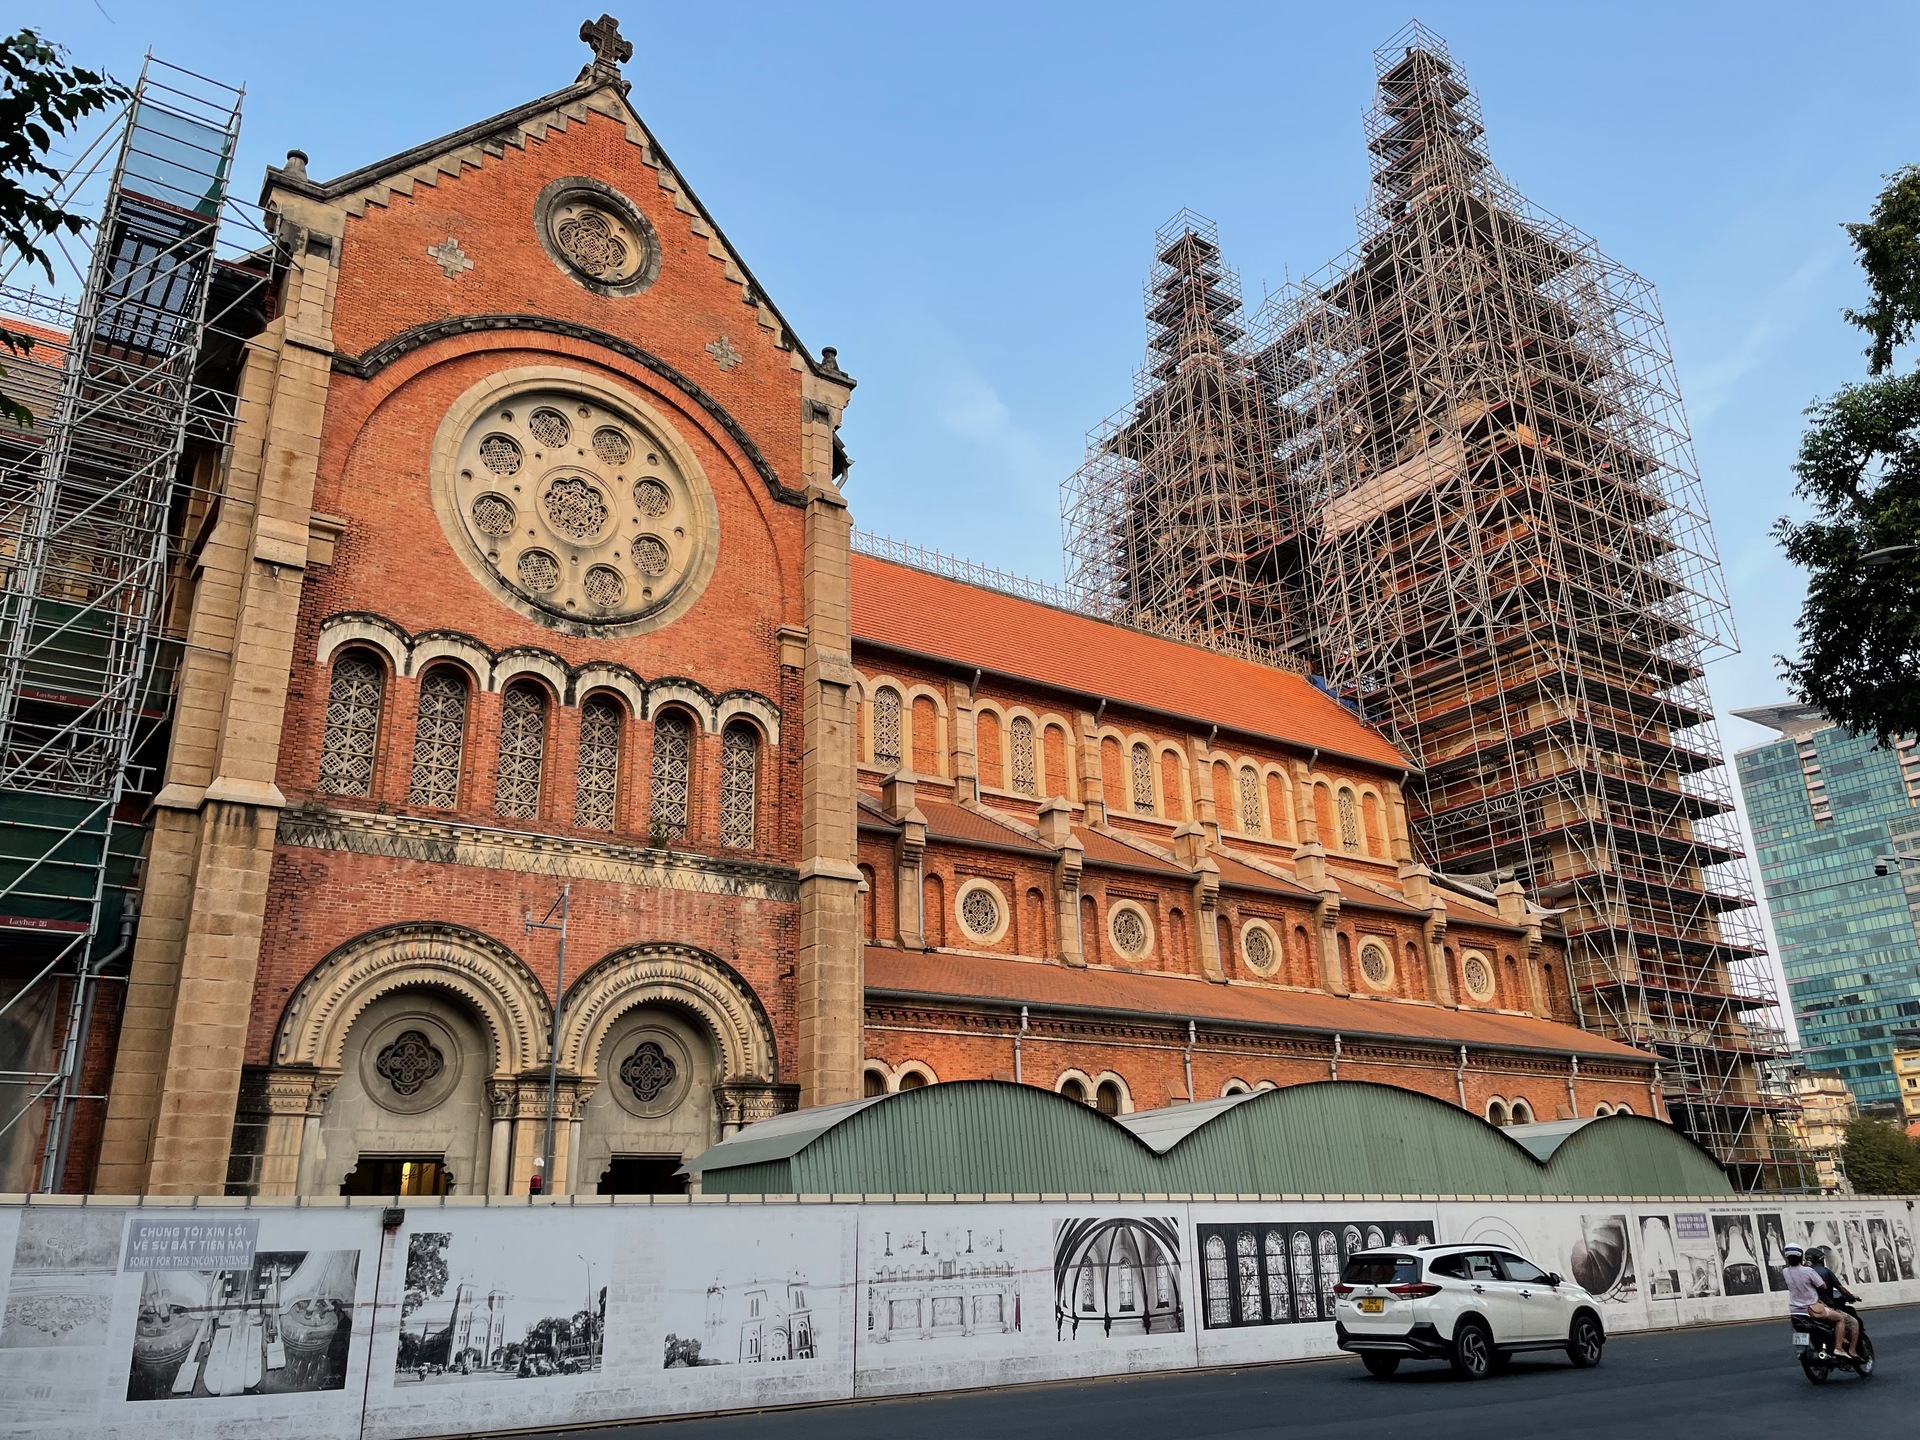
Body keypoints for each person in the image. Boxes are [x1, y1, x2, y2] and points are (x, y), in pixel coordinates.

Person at [1782, 1244, 1858, 1359]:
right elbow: (1823, 1287)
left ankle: (1802, 1349)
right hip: (1812, 1309)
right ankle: (1838, 1347)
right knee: (1840, 1318)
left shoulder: (1785, 1272)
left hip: (1795, 1311)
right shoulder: (1808, 1271)